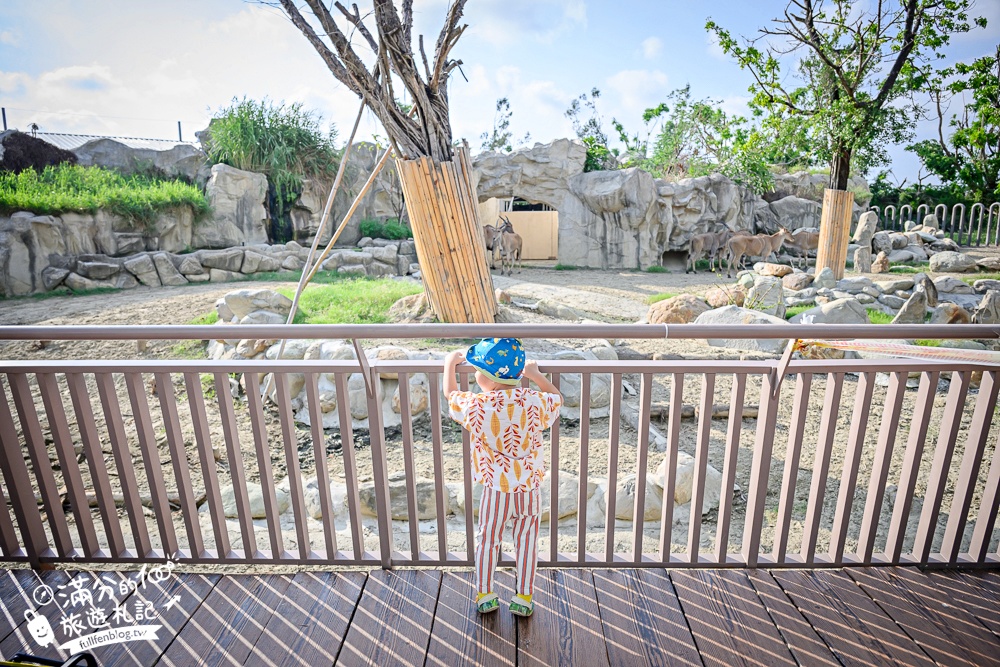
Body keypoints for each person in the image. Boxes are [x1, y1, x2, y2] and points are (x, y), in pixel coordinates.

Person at [444, 337, 562, 618]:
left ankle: (485, 593)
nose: (473, 375)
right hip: (529, 489)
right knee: (527, 540)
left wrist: (449, 364)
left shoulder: (478, 406)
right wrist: (536, 377)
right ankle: (524, 596)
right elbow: (556, 399)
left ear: (491, 380)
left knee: (488, 539)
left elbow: (450, 395)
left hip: (497, 489)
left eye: (477, 372)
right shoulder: (532, 401)